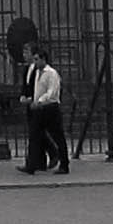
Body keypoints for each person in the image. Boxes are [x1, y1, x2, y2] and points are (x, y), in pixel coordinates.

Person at [21, 46, 70, 175]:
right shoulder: (37, 72)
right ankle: (31, 165)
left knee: (58, 136)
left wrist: (40, 101)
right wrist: (33, 101)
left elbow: (52, 92)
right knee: (34, 135)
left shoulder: (52, 73)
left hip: (50, 108)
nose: (35, 62)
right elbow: (37, 90)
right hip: (39, 109)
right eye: (34, 59)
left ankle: (64, 164)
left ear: (44, 60)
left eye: (37, 59)